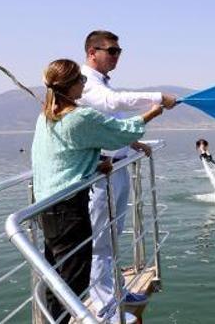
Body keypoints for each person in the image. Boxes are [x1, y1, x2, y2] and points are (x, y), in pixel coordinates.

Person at [32, 59, 163, 324]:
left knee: (56, 273)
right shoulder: (80, 116)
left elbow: (66, 154)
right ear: (70, 87)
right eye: (80, 80)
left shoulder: (47, 116)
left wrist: (93, 165)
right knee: (72, 277)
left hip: (47, 205)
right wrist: (153, 112)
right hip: (68, 208)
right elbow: (120, 132)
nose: (84, 84)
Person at [78, 30, 178, 318]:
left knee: (113, 235)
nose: (116, 56)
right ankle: (104, 304)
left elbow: (112, 121)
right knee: (100, 240)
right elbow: (112, 104)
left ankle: (116, 290)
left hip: (117, 167)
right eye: (111, 51)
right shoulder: (86, 84)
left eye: (119, 51)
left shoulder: (101, 84)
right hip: (100, 173)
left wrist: (132, 143)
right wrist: (158, 98)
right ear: (91, 53)